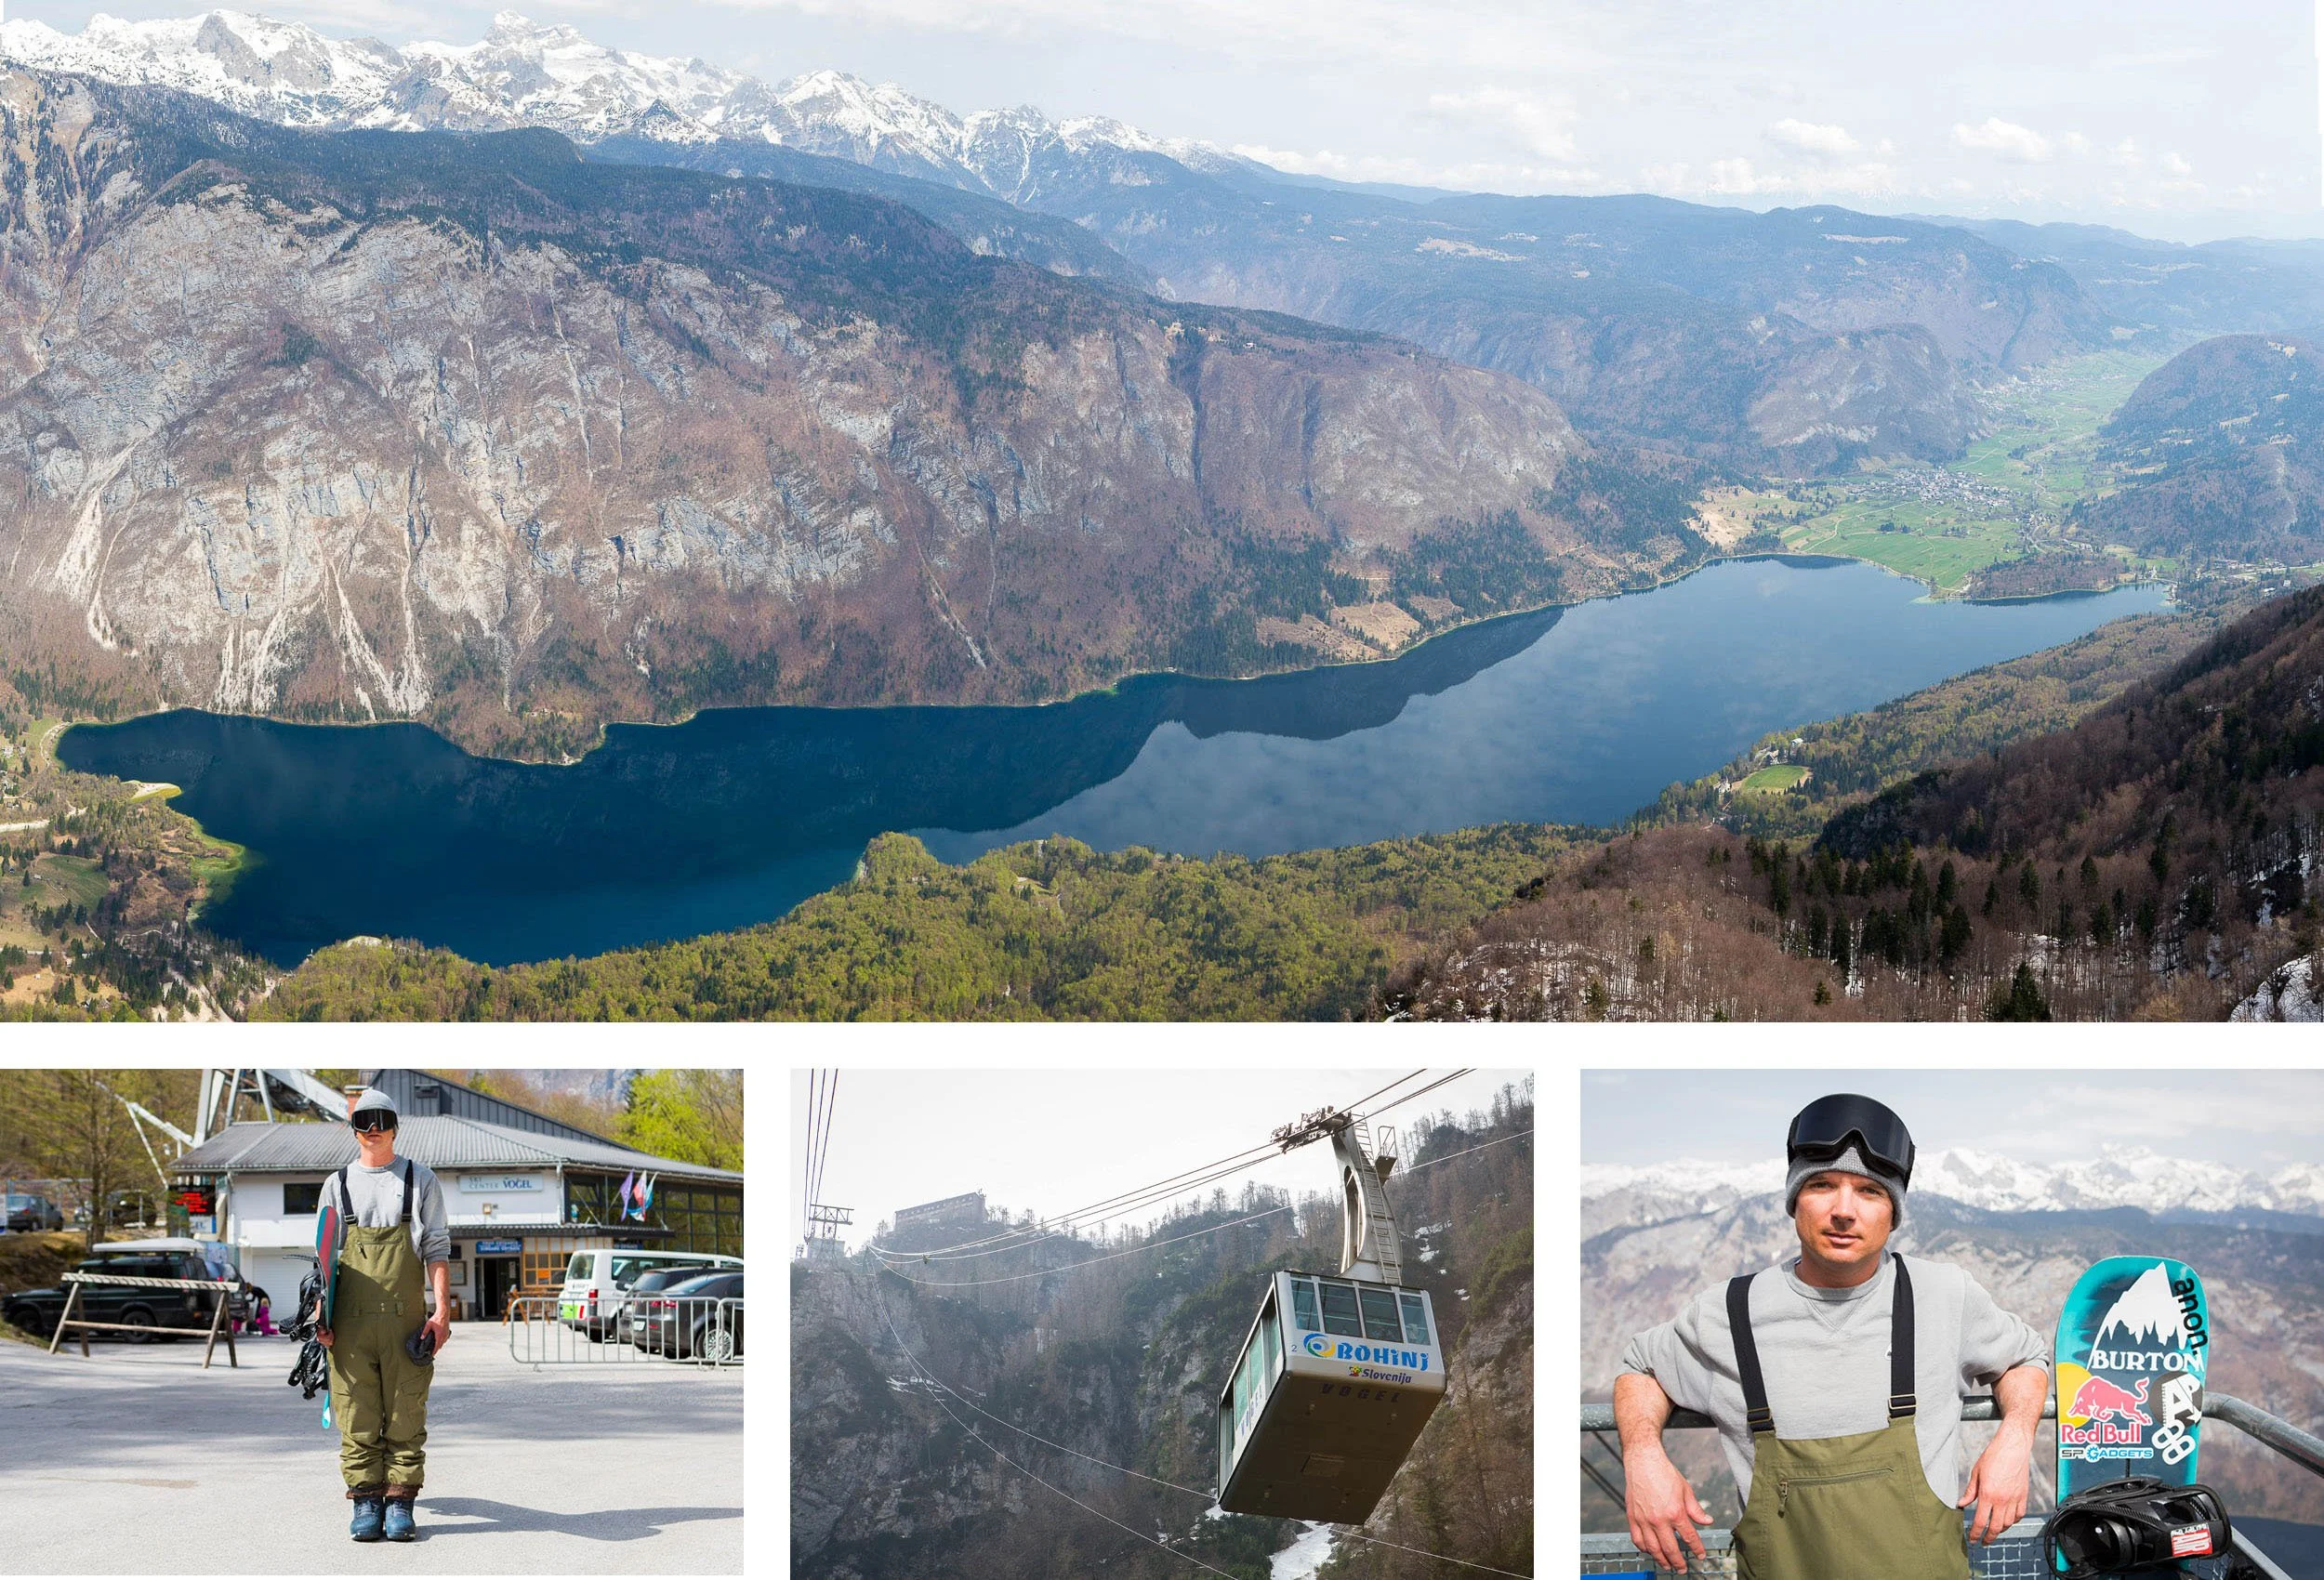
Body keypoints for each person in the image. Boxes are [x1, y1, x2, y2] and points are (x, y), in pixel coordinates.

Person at [1613, 1093, 2049, 1580]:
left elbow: (2024, 1358)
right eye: (1822, 1185)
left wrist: (2014, 1439)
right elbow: (1640, 1369)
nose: (1844, 1210)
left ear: (1893, 1211)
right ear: (1795, 1201)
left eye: (1869, 1191)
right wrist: (1644, 1457)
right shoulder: (1729, 1313)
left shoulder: (1944, 1294)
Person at [316, 1086, 453, 1543]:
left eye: (381, 1121)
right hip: (349, 1325)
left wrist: (442, 1312)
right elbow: (325, 1259)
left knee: (406, 1415)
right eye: (362, 1122)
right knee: (356, 1414)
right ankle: (366, 1501)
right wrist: (322, 1316)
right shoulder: (336, 1184)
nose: (372, 1130)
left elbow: (435, 1249)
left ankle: (400, 1503)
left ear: (395, 1126)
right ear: (352, 1128)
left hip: (406, 1323)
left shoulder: (420, 1179)